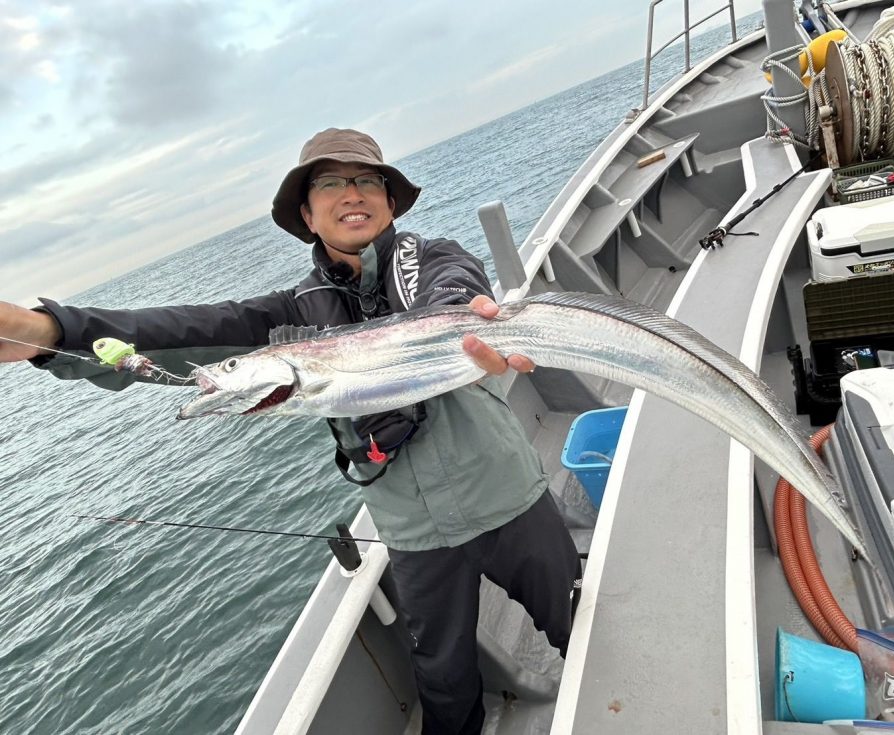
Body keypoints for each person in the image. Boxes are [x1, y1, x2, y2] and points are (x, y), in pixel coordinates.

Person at [0, 128, 582, 735]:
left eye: (365, 180)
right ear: (307, 213)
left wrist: (464, 318)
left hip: (510, 494)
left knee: (578, 618)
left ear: (389, 200)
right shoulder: (290, 317)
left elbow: (455, 289)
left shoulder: (435, 259)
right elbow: (183, 327)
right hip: (414, 532)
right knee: (442, 680)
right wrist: (48, 331)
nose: (351, 194)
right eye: (330, 183)